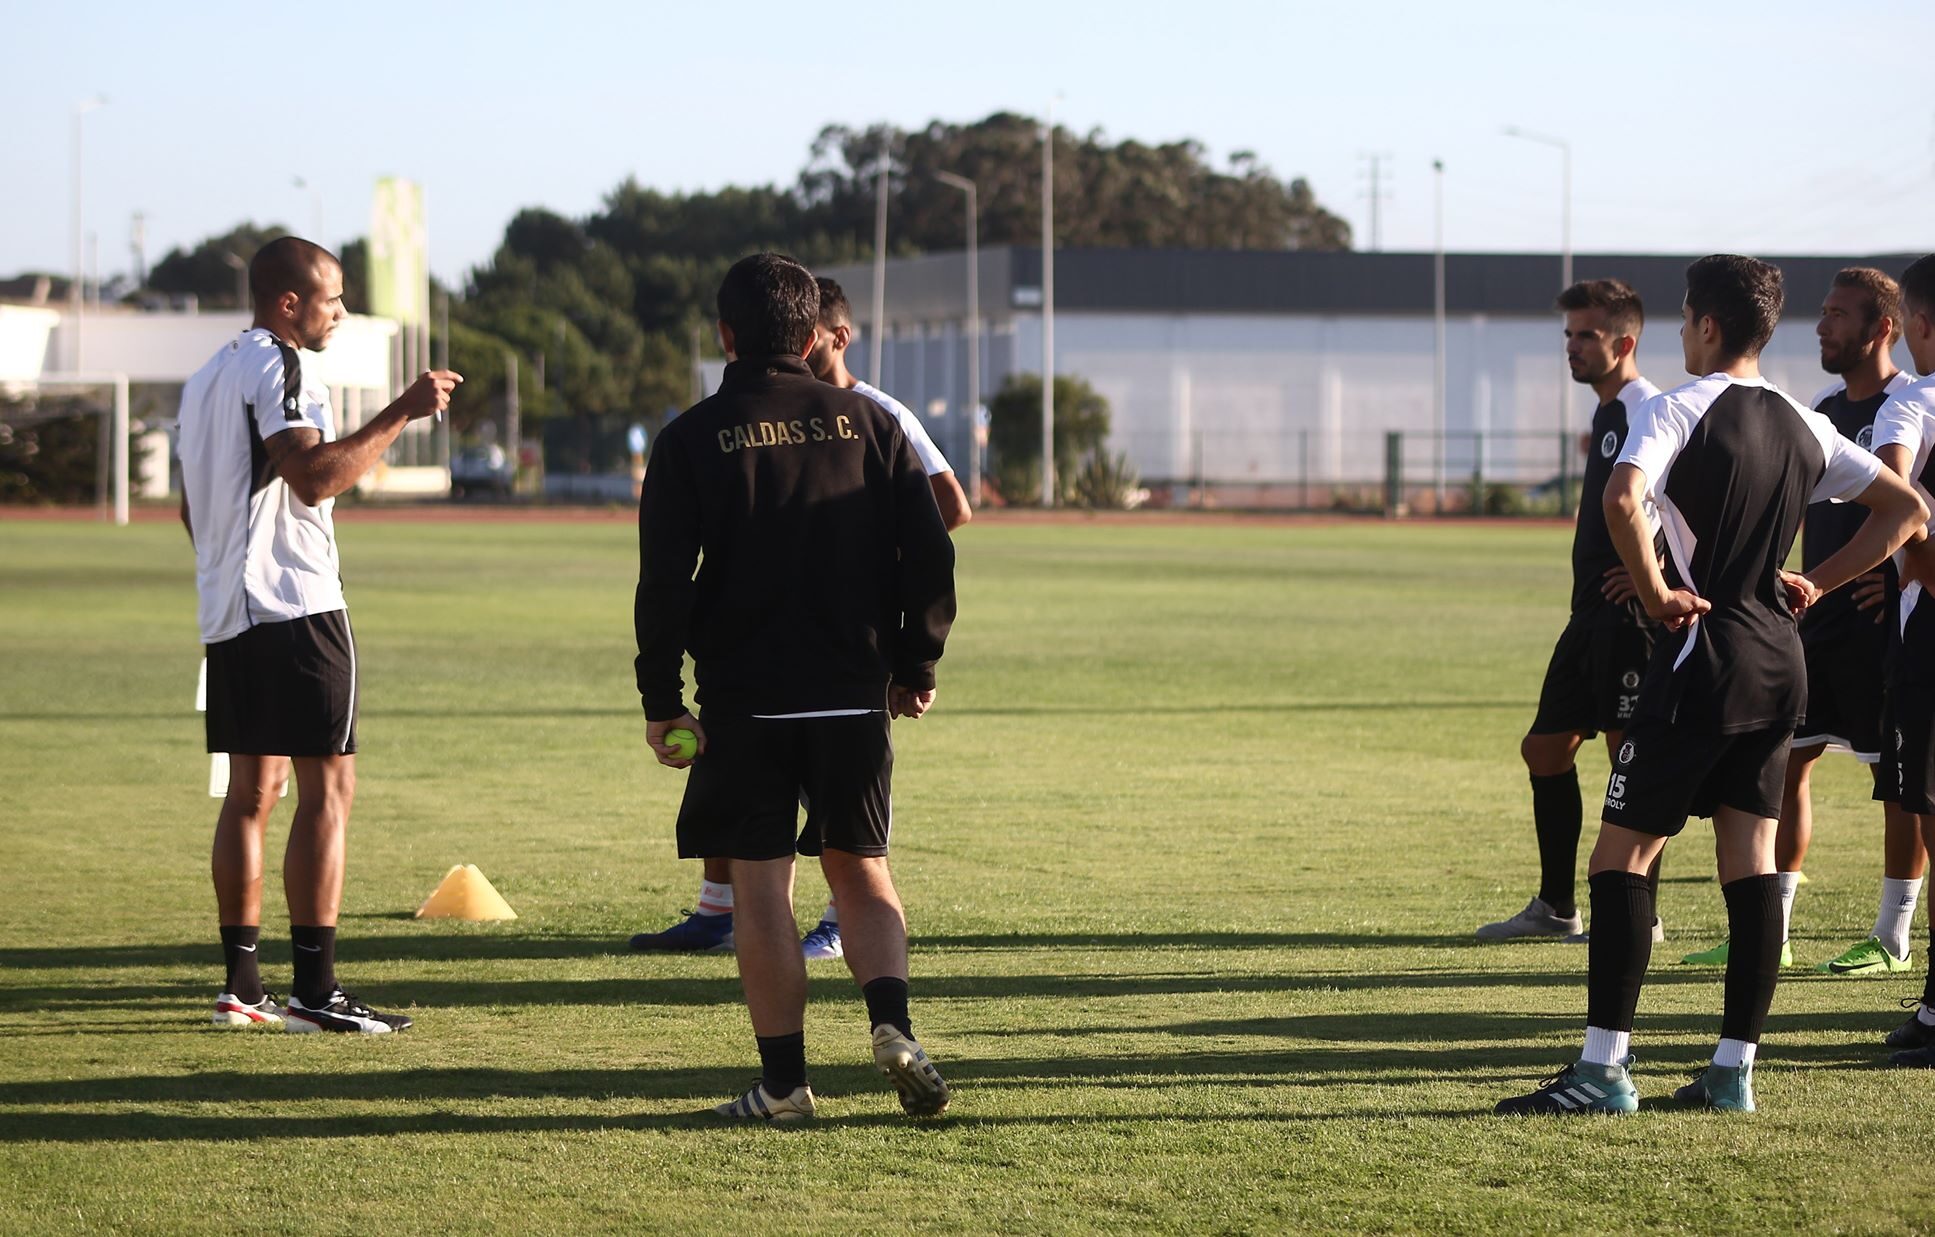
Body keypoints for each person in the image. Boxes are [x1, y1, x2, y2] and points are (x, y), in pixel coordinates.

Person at [1496, 255, 1926, 1116]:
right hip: (1780, 662)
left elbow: (1624, 497)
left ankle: (1602, 1068)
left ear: (1704, 325)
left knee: (1621, 855)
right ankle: (1731, 1072)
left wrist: (1657, 594)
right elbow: (1906, 508)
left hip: (1702, 656)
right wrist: (1818, 581)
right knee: (1751, 863)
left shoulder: (1675, 407)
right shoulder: (1807, 423)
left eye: (1686, 317)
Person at [634, 252, 957, 1120]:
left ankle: (784, 1087)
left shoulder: (689, 438)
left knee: (761, 889)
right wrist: (914, 661)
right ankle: (891, 1023)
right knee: (862, 871)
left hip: (746, 701)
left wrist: (661, 699)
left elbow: (664, 583)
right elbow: (931, 551)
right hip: (852, 692)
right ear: (814, 337)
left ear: (725, 336)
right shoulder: (870, 422)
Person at [176, 236, 460, 1033]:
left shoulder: (203, 380)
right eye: (332, 298)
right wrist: (402, 411)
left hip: (228, 615)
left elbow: (193, 510)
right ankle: (315, 990)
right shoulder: (280, 365)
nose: (340, 311)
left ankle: (241, 984)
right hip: (295, 609)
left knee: (250, 795)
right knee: (326, 790)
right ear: (289, 302)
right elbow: (313, 477)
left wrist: (227, 579)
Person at [1680, 268, 1922, 973]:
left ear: (1882, 328)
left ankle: (1891, 935)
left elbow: (1911, 506)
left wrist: (1898, 573)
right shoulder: (1815, 406)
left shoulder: (1910, 404)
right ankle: (1772, 926)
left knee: (1897, 784)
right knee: (1787, 764)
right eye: (1819, 312)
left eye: (1837, 315)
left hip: (1880, 629)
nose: (1820, 326)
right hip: (1810, 623)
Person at [1477, 280, 1662, 941]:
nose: (1572, 346)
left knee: (1627, 757)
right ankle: (1556, 907)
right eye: (1568, 335)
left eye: (1586, 334)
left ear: (1624, 342)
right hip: (1588, 615)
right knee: (1544, 748)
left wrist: (1655, 574)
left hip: (1629, 617)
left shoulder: (1648, 407)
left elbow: (1689, 494)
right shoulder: (1608, 412)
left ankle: (1642, 911)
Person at [1863, 252, 1935, 1067]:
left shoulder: (1910, 398)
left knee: (1927, 810)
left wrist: (1821, 574)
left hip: (1930, 634)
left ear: (1916, 324)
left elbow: (1896, 500)